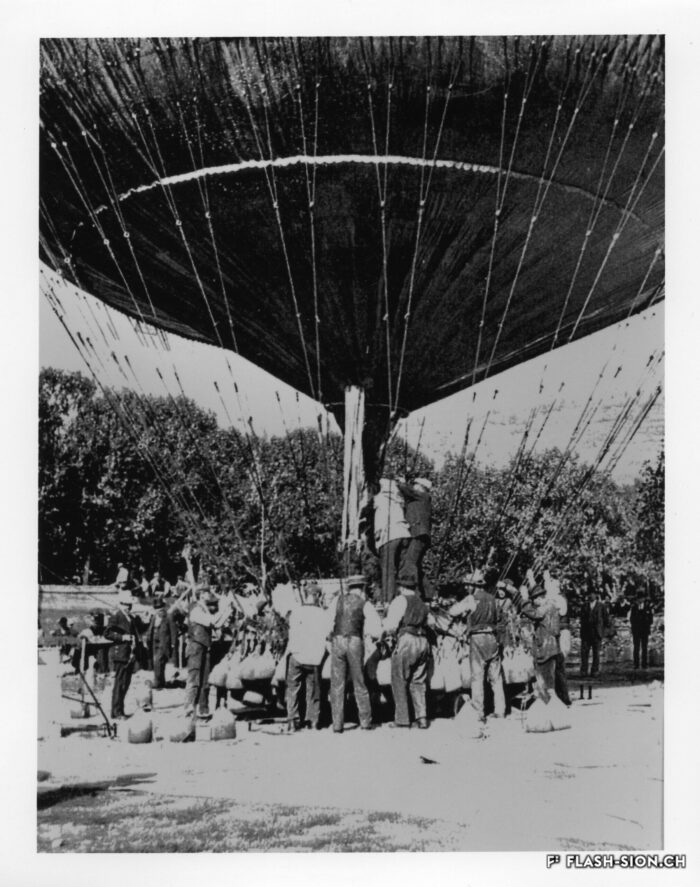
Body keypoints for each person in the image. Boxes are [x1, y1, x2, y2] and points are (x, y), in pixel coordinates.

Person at [450, 566, 505, 722]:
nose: (467, 587)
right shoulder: (493, 599)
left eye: (469, 585)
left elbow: (453, 611)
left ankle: (479, 712)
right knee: (496, 676)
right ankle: (500, 710)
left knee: (477, 676)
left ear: (474, 586)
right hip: (493, 638)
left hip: (478, 638)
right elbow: (499, 619)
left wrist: (462, 610)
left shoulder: (471, 599)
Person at [329, 574, 382, 732]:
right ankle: (365, 722)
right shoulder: (365, 604)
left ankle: (337, 725)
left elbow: (328, 625)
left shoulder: (336, 601)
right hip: (355, 641)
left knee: (337, 684)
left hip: (337, 640)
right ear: (363, 587)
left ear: (348, 587)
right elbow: (376, 630)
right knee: (359, 681)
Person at [383, 577, 431, 728]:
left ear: (401, 588)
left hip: (407, 640)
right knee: (419, 681)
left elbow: (391, 625)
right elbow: (432, 623)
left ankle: (402, 720)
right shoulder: (422, 603)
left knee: (399, 678)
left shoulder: (400, 600)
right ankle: (422, 718)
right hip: (423, 641)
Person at [285, 582, 333, 731]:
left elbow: (291, 632)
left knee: (292, 689)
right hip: (314, 658)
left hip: (297, 655)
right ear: (317, 596)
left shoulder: (296, 612)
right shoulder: (323, 614)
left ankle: (292, 721)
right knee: (314, 690)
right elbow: (328, 634)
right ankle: (313, 721)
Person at [183, 588, 232, 719]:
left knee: (205, 680)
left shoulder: (203, 608)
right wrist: (224, 610)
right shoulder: (195, 609)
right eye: (206, 593)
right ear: (201, 595)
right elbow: (212, 622)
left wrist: (227, 612)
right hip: (196, 648)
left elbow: (217, 625)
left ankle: (203, 710)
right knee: (194, 680)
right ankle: (189, 710)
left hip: (204, 647)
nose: (209, 595)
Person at [520, 581, 562, 704]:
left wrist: (525, 599)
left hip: (546, 648)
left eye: (535, 601)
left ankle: (550, 705)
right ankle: (550, 703)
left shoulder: (545, 607)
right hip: (551, 647)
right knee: (549, 678)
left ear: (539, 598)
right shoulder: (551, 606)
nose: (534, 604)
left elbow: (533, 613)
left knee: (546, 679)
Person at [104, 593, 143, 719]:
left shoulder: (130, 617)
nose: (128, 607)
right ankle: (116, 712)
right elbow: (107, 633)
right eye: (126, 605)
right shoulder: (117, 617)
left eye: (129, 605)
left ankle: (120, 710)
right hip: (120, 653)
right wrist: (122, 637)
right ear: (120, 604)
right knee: (120, 683)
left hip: (129, 654)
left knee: (125, 683)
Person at [373, 479, 411, 606]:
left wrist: (377, 535)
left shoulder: (381, 499)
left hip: (390, 536)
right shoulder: (399, 499)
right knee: (402, 568)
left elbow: (380, 518)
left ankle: (388, 600)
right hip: (404, 534)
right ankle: (406, 597)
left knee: (388, 570)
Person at [396, 477, 434, 600]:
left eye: (416, 485)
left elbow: (407, 490)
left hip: (419, 534)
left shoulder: (423, 496)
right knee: (416, 565)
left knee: (410, 563)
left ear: (422, 487)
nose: (414, 487)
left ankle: (413, 593)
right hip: (419, 534)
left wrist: (400, 482)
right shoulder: (418, 499)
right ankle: (430, 594)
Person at [579, 588, 609, 677]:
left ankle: (595, 670)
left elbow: (606, 619)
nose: (591, 596)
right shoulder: (584, 605)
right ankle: (584, 670)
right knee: (584, 653)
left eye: (593, 594)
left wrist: (602, 630)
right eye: (589, 594)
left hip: (597, 632)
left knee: (596, 653)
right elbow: (582, 618)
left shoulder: (601, 606)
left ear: (596, 595)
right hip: (586, 632)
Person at [148, 598, 172, 690]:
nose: (159, 610)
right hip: (154, 642)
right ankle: (161, 681)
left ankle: (157, 683)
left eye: (161, 608)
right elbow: (150, 628)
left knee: (157, 662)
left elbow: (173, 631)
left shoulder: (168, 617)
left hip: (163, 643)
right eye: (157, 608)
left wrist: (173, 644)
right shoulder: (154, 617)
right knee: (159, 663)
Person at [629, 591, 654, 669]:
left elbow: (651, 619)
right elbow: (631, 619)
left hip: (644, 630)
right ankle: (636, 664)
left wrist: (646, 624)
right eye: (639, 598)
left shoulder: (648, 607)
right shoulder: (634, 607)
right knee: (636, 647)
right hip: (636, 630)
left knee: (644, 647)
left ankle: (644, 664)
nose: (640, 600)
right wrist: (634, 626)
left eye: (642, 598)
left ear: (644, 599)